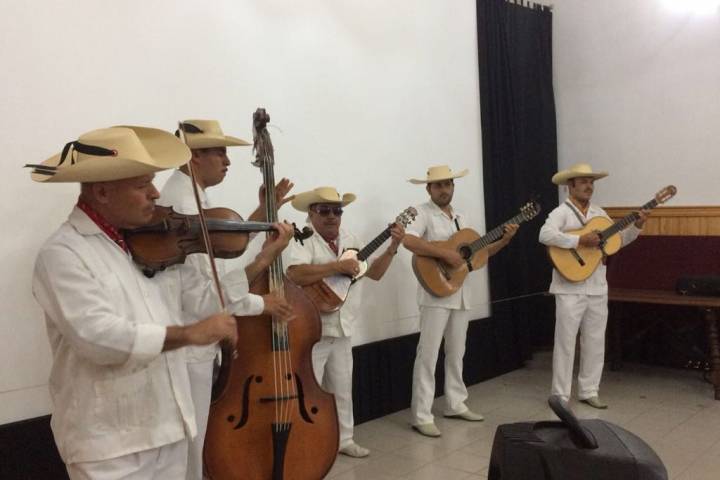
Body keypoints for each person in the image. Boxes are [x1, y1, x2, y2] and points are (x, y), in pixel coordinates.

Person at [28, 125, 294, 479]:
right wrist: (188, 335)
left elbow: (201, 300)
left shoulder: (150, 244)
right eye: (142, 186)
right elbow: (97, 338)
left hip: (169, 425)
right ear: (103, 191)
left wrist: (261, 260)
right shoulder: (62, 253)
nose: (156, 194)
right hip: (110, 444)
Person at [158, 119, 293, 479]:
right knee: (189, 449)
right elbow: (209, 295)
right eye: (219, 151)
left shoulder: (192, 195)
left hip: (194, 344)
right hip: (188, 348)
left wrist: (262, 215)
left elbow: (222, 252)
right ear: (192, 157)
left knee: (192, 446)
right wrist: (265, 266)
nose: (227, 160)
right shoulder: (183, 202)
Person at [284, 187, 405, 457]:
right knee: (308, 389)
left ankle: (344, 440)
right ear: (310, 213)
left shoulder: (352, 239)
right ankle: (306, 441)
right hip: (311, 329)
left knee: (342, 388)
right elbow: (294, 274)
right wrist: (335, 267)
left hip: (343, 325)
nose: (332, 216)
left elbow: (373, 274)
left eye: (337, 210)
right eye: (324, 210)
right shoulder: (301, 239)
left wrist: (393, 247)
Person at [403, 165, 517, 437]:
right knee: (428, 354)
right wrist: (444, 255)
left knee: (457, 352)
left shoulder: (460, 218)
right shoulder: (421, 212)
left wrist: (505, 240)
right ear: (428, 189)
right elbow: (408, 240)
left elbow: (477, 256)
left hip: (460, 292)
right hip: (434, 292)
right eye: (439, 185)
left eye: (449, 184)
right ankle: (421, 414)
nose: (445, 189)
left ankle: (455, 403)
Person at [538, 163, 648, 409]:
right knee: (565, 342)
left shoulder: (600, 215)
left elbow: (616, 242)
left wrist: (637, 226)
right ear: (571, 186)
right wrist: (579, 239)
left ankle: (589, 390)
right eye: (583, 181)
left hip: (597, 285)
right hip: (568, 287)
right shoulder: (561, 212)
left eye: (591, 182)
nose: (589, 186)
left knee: (596, 340)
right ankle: (560, 395)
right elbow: (544, 234)